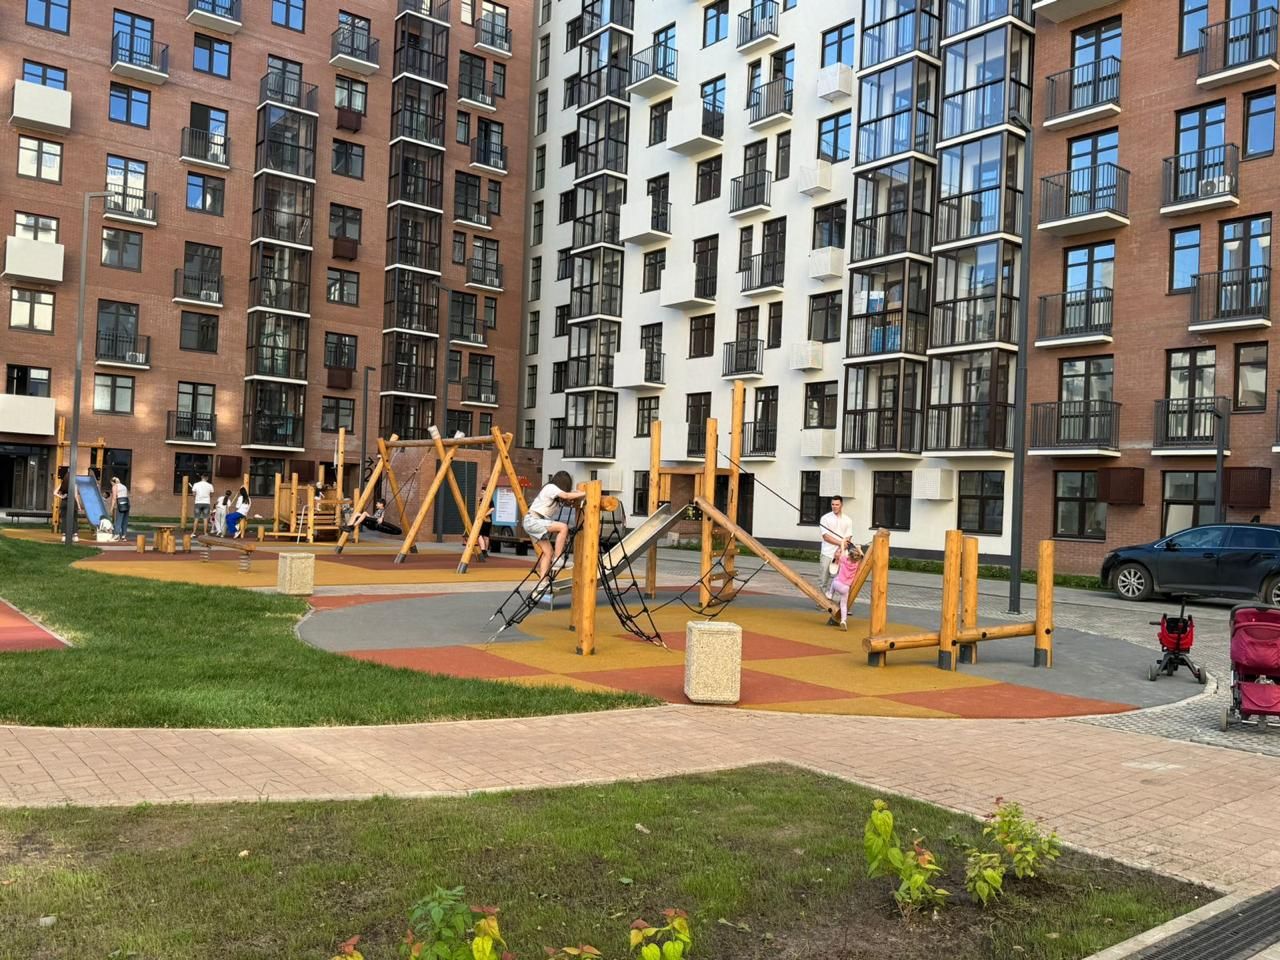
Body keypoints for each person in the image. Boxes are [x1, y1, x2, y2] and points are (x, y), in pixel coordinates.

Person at [522, 471, 586, 583]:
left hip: (532, 521)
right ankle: (558, 560)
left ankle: (543, 582)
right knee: (563, 527)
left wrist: (576, 494)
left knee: (548, 552)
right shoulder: (550, 487)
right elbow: (566, 495)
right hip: (533, 520)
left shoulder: (555, 495)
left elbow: (567, 497)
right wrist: (585, 493)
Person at [817, 494, 855, 596]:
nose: (834, 506)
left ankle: (841, 603)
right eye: (833, 504)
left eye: (837, 504)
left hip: (842, 554)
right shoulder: (825, 518)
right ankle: (822, 602)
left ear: (841, 505)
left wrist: (839, 550)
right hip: (827, 553)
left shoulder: (848, 520)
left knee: (843, 581)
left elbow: (848, 537)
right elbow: (826, 537)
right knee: (823, 580)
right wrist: (841, 543)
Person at [825, 542, 865, 630]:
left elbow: (843, 550)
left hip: (837, 584)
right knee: (843, 605)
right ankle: (843, 621)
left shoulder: (844, 559)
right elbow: (862, 556)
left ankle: (830, 594)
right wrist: (859, 548)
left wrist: (843, 542)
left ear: (849, 556)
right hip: (846, 588)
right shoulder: (856, 564)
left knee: (834, 579)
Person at [109, 475, 131, 542]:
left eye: (111, 483)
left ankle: (116, 535)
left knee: (118, 520)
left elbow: (114, 498)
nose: (111, 484)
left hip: (120, 504)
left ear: (113, 482)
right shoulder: (124, 486)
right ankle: (123, 536)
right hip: (127, 503)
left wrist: (111, 507)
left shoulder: (115, 486)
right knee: (125, 520)